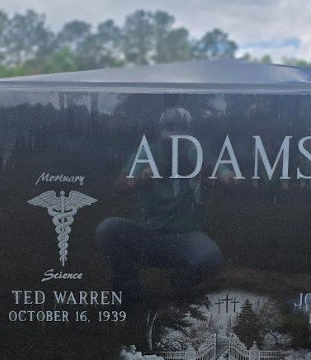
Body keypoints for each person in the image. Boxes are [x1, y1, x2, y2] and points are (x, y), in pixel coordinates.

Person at [97, 107, 231, 302]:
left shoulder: (199, 154)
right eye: (170, 140)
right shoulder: (147, 152)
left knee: (211, 256)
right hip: (147, 236)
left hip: (187, 237)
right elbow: (119, 186)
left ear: (189, 137)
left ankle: (181, 286)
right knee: (108, 228)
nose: (174, 145)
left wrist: (202, 173)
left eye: (181, 140)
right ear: (162, 136)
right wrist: (141, 180)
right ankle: (128, 290)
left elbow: (230, 182)